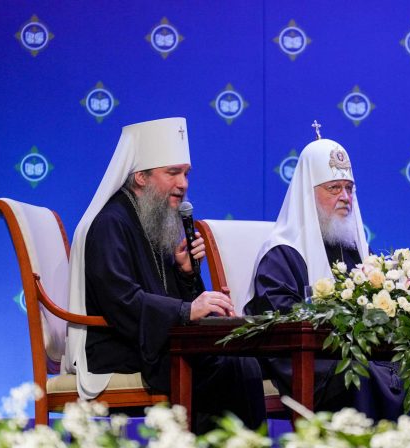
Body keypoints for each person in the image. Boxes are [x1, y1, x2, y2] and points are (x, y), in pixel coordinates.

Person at [65, 117, 265, 432]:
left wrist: (184, 274)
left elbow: (163, 296)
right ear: (140, 176)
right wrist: (186, 310)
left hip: (151, 339)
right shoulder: (110, 223)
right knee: (226, 365)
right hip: (118, 346)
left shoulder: (152, 218)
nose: (183, 184)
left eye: (186, 173)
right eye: (172, 173)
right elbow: (121, 301)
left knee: (240, 358)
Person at [244, 130, 410, 426]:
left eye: (349, 188)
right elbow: (280, 323)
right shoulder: (281, 253)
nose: (345, 197)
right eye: (334, 188)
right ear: (308, 194)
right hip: (308, 360)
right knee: (366, 375)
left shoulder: (355, 248)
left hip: (357, 352)